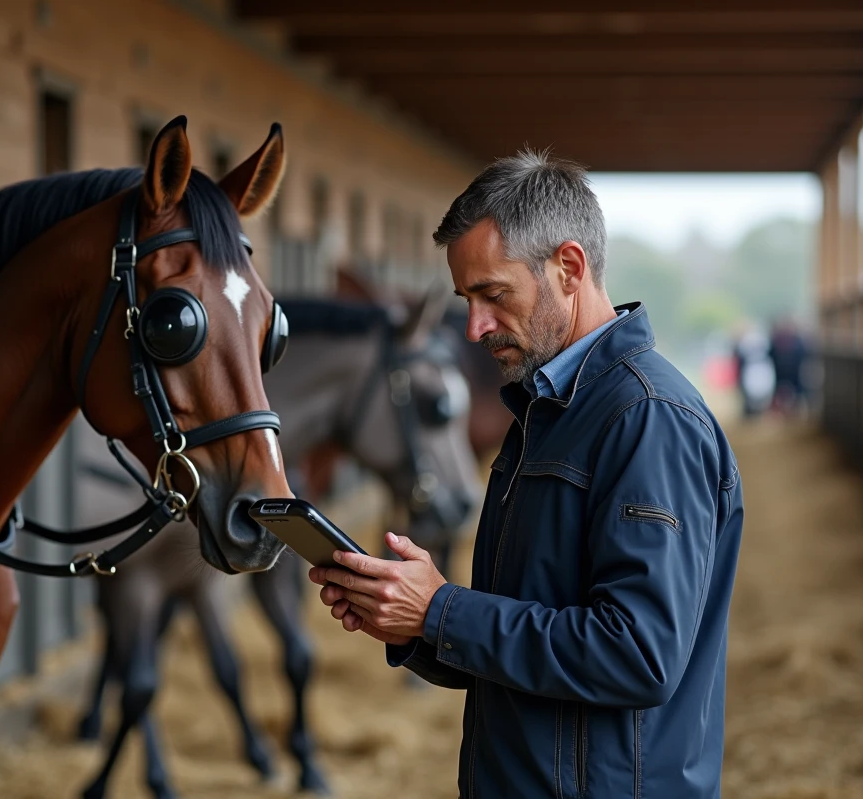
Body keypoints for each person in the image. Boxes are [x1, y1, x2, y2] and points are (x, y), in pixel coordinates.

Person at [308, 150, 744, 798]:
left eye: (493, 294)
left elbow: (638, 655)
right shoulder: (544, 411)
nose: (475, 327)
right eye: (466, 299)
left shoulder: (648, 419)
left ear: (569, 267)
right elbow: (530, 644)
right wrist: (418, 624)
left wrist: (443, 609)